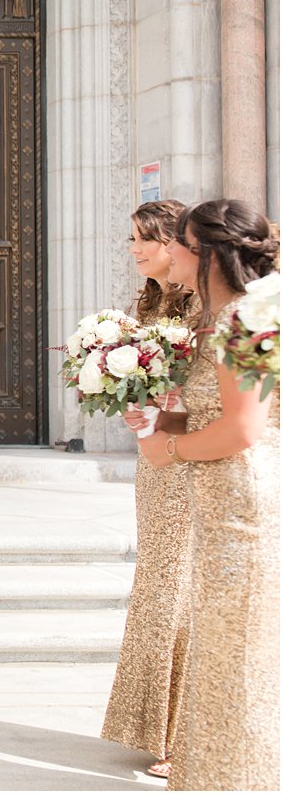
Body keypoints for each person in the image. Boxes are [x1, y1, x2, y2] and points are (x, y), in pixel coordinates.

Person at [136, 198, 279, 790]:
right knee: (219, 649)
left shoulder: (248, 320)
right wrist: (162, 423)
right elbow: (219, 411)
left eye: (185, 244)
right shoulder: (230, 318)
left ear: (211, 256)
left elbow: (247, 427)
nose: (175, 254)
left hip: (240, 502)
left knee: (235, 649)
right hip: (216, 495)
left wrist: (168, 449)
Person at [102, 199, 195, 779]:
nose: (133, 247)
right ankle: (154, 726)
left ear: (171, 241)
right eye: (131, 238)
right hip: (155, 464)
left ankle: (183, 734)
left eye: (142, 238)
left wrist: (168, 408)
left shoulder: (200, 304)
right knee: (158, 584)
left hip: (190, 463)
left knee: (177, 590)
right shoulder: (151, 301)